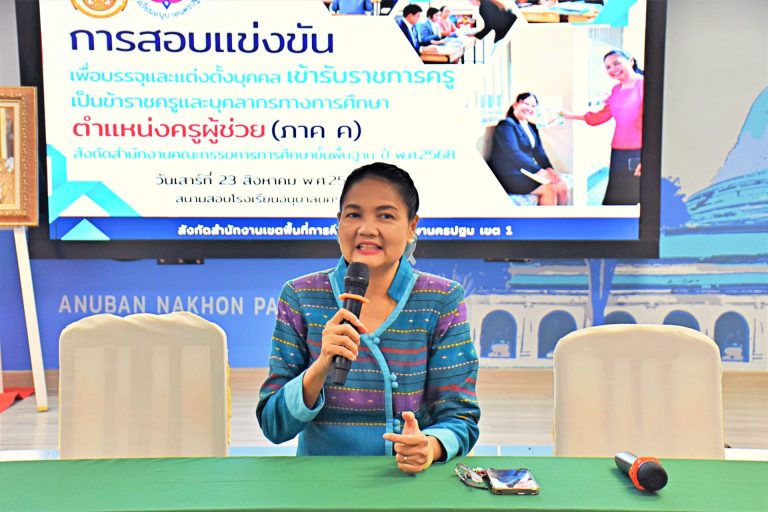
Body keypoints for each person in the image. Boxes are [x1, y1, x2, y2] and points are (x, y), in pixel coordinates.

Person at [256, 162, 480, 473]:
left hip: (407, 483)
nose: (367, 229)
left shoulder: (441, 299)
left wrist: (428, 447)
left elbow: (461, 417)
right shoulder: (301, 296)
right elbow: (273, 425)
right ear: (338, 223)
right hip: (320, 483)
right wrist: (321, 366)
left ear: (412, 226)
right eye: (354, 215)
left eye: (385, 216)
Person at [562, 49, 643, 205]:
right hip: (619, 151)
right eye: (608, 67)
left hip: (639, 152)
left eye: (616, 63)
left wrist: (649, 157)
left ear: (631, 61)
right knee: (615, 200)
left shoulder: (645, 85)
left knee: (638, 201)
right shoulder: (616, 90)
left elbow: (655, 126)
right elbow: (600, 117)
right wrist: (570, 115)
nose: (613, 69)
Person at [488, 92, 569, 205]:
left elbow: (539, 153)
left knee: (561, 184)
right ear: (516, 104)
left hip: (525, 171)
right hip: (508, 174)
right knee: (549, 188)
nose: (529, 108)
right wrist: (538, 170)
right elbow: (514, 153)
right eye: (526, 104)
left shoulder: (532, 126)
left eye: (533, 106)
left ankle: (561, 216)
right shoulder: (506, 125)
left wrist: (549, 169)